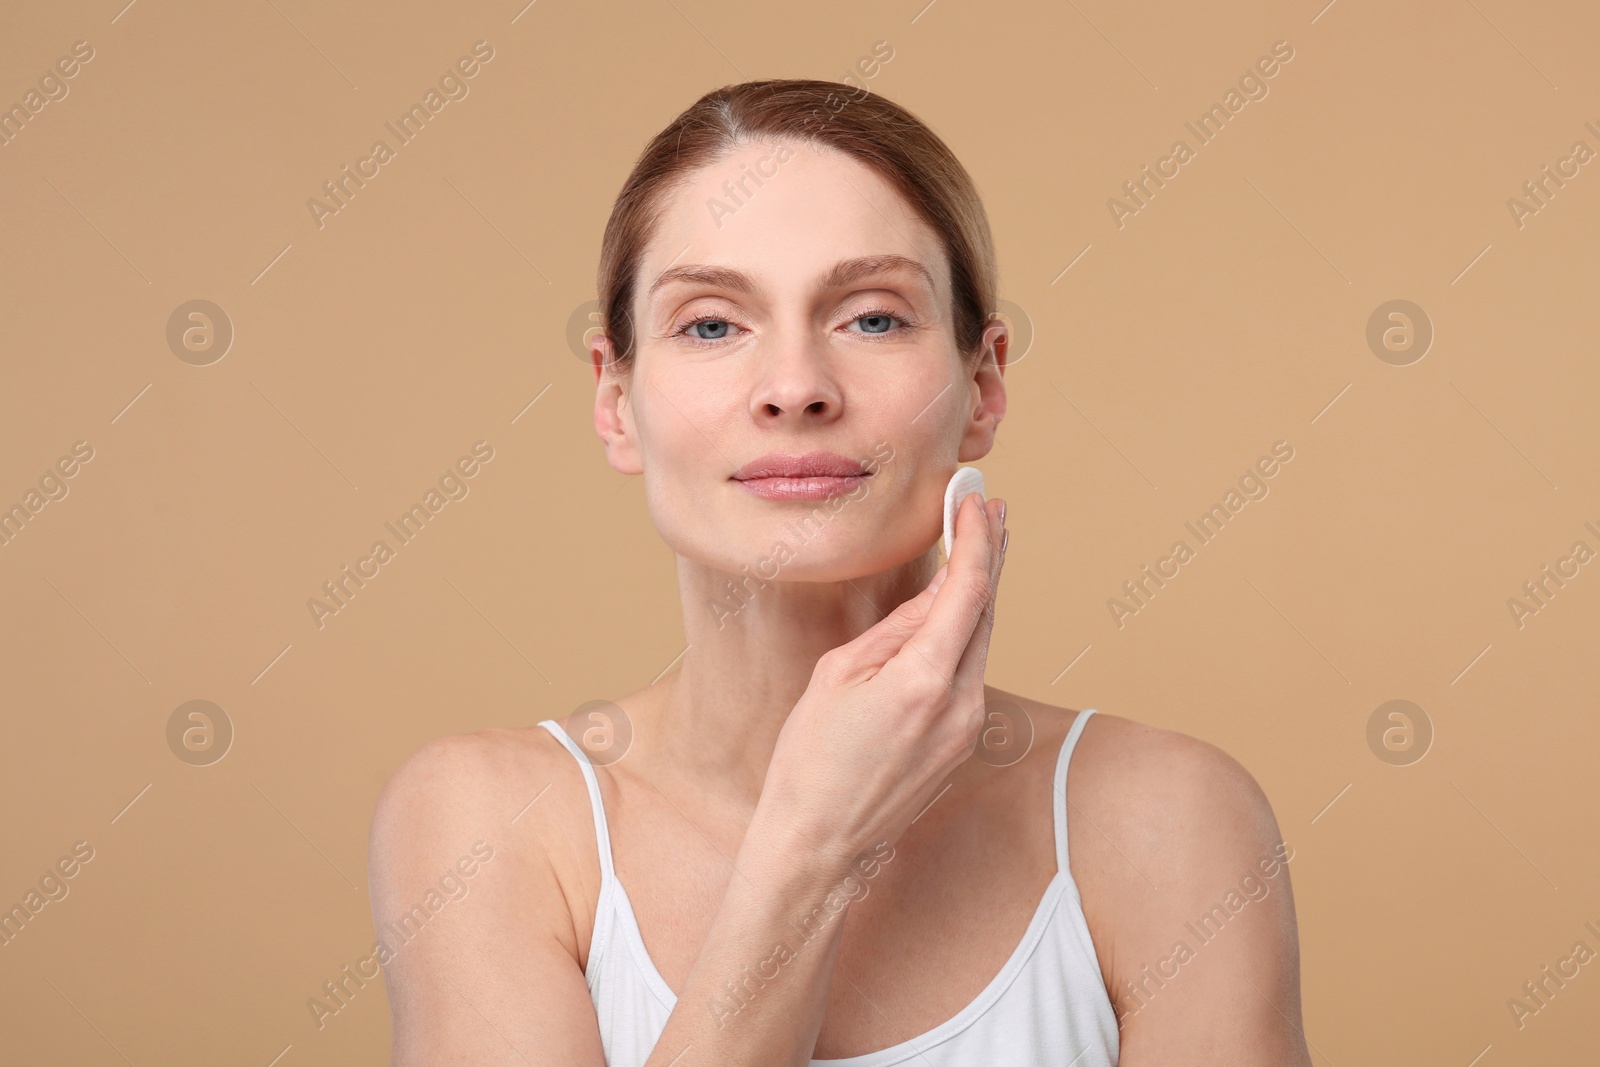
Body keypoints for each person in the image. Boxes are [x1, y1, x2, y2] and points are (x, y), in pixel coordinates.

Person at [368, 78, 1313, 1066]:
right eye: (709, 324)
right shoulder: (491, 821)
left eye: (870, 318)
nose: (794, 389)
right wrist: (814, 844)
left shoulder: (1165, 819)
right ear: (615, 401)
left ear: (982, 387)